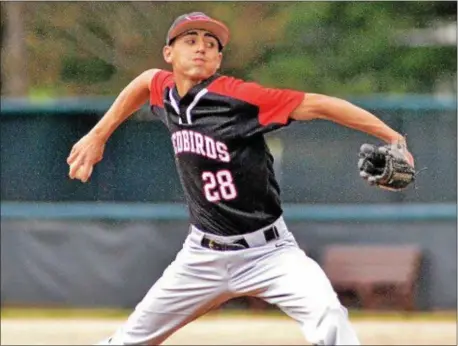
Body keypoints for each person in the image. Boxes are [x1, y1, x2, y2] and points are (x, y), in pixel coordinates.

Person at [67, 12, 414, 346]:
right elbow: (143, 82)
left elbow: (319, 104)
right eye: (190, 40)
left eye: (211, 44)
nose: (201, 47)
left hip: (270, 254)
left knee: (329, 317)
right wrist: (98, 135)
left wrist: (392, 136)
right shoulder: (166, 93)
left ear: (219, 61)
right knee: (130, 339)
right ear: (169, 54)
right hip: (200, 257)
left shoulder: (239, 98)